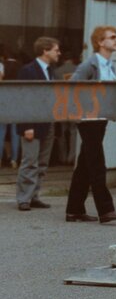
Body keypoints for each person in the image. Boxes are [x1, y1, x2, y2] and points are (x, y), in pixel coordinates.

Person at [64, 26, 116, 224]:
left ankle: (74, 210)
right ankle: (106, 210)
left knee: (85, 164)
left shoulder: (109, 65)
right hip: (89, 120)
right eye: (112, 37)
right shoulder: (89, 65)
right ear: (100, 42)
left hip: (100, 120)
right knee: (97, 163)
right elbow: (73, 87)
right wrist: (79, 113)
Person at [15, 37, 60, 212]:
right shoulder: (28, 70)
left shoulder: (51, 71)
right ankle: (24, 198)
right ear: (45, 51)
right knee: (30, 161)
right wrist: (26, 126)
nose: (59, 53)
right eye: (56, 50)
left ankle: (34, 196)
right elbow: (23, 99)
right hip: (31, 124)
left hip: (48, 122)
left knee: (42, 162)